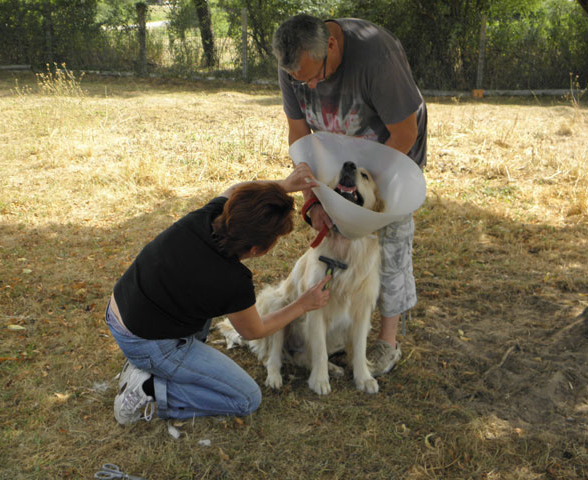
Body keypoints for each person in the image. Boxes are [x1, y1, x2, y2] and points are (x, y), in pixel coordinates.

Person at [106, 163, 331, 425]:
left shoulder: (207, 217)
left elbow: (236, 189)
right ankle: (149, 390)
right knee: (246, 399)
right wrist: (302, 304)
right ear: (257, 249)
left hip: (120, 308)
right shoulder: (233, 281)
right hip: (147, 342)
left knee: (199, 302)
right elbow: (253, 331)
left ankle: (151, 366)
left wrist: (284, 185)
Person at [272, 14, 428, 376]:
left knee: (389, 246)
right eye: (301, 80)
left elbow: (405, 132)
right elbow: (299, 135)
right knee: (338, 251)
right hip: (337, 162)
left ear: (330, 43)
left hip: (391, 157)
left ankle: (386, 344)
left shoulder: (377, 57)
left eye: (315, 76)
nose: (309, 86)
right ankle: (336, 331)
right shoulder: (294, 62)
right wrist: (315, 200)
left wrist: (370, 202)